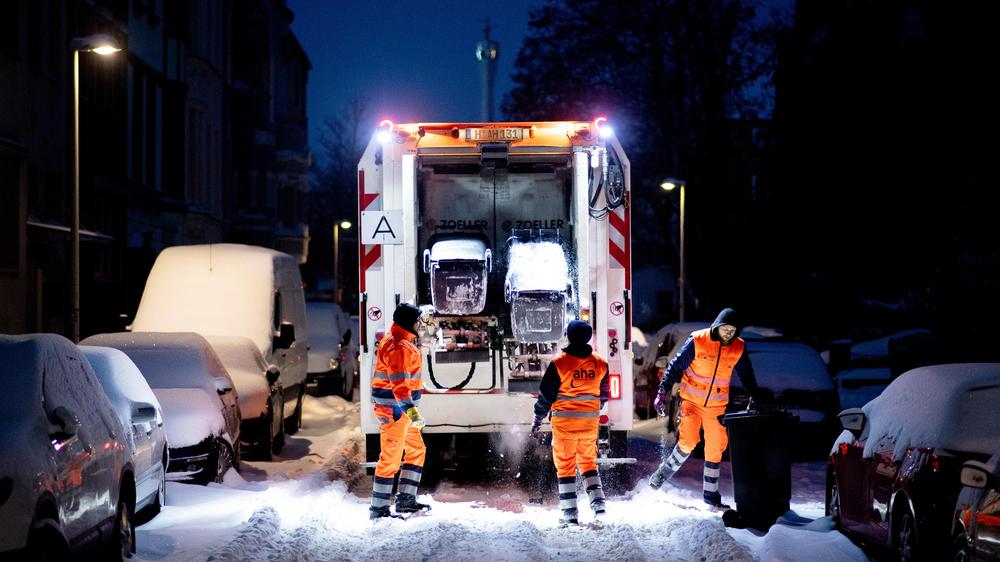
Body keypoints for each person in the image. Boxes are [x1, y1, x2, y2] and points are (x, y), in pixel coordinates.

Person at [648, 307, 759, 509]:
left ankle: (711, 495)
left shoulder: (738, 347)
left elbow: (746, 374)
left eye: (732, 331)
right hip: (692, 401)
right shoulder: (698, 340)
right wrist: (662, 391)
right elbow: (675, 366)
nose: (728, 334)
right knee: (688, 442)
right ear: (717, 326)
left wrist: (754, 394)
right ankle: (663, 474)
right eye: (725, 329)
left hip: (717, 406)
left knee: (716, 448)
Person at [530, 320, 610, 525]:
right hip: (589, 426)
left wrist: (537, 419)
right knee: (588, 464)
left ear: (569, 336)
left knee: (565, 467)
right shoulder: (600, 364)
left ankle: (570, 514)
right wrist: (592, 411)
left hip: (565, 426)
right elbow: (603, 395)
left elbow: (545, 396)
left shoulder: (560, 363)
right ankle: (599, 505)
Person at [369, 302, 431, 519]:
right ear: (408, 323)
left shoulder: (399, 340)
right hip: (396, 412)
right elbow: (399, 386)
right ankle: (379, 510)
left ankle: (405, 501)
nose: (419, 325)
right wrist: (412, 413)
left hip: (401, 412)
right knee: (391, 459)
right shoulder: (399, 347)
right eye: (417, 321)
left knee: (416, 451)